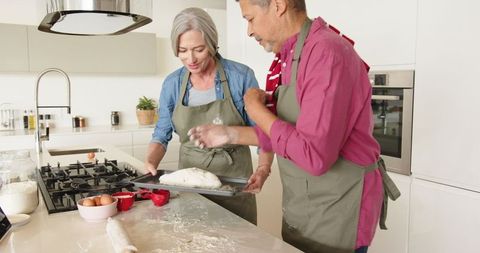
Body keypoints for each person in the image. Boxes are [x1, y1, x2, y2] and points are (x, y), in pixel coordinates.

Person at [188, 0, 401, 252]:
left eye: (250, 19)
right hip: (306, 205)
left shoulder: (326, 54)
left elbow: (314, 155)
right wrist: (229, 134)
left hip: (337, 209)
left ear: (278, 5)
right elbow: (288, 134)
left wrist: (255, 110)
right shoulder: (291, 57)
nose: (249, 31)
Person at [144, 7, 274, 225]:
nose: (190, 59)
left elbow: (265, 133)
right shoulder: (173, 84)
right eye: (182, 50)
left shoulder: (240, 77)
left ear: (212, 44)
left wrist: (263, 169)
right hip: (189, 186)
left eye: (199, 49)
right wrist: (150, 162)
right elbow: (161, 134)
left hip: (235, 183)